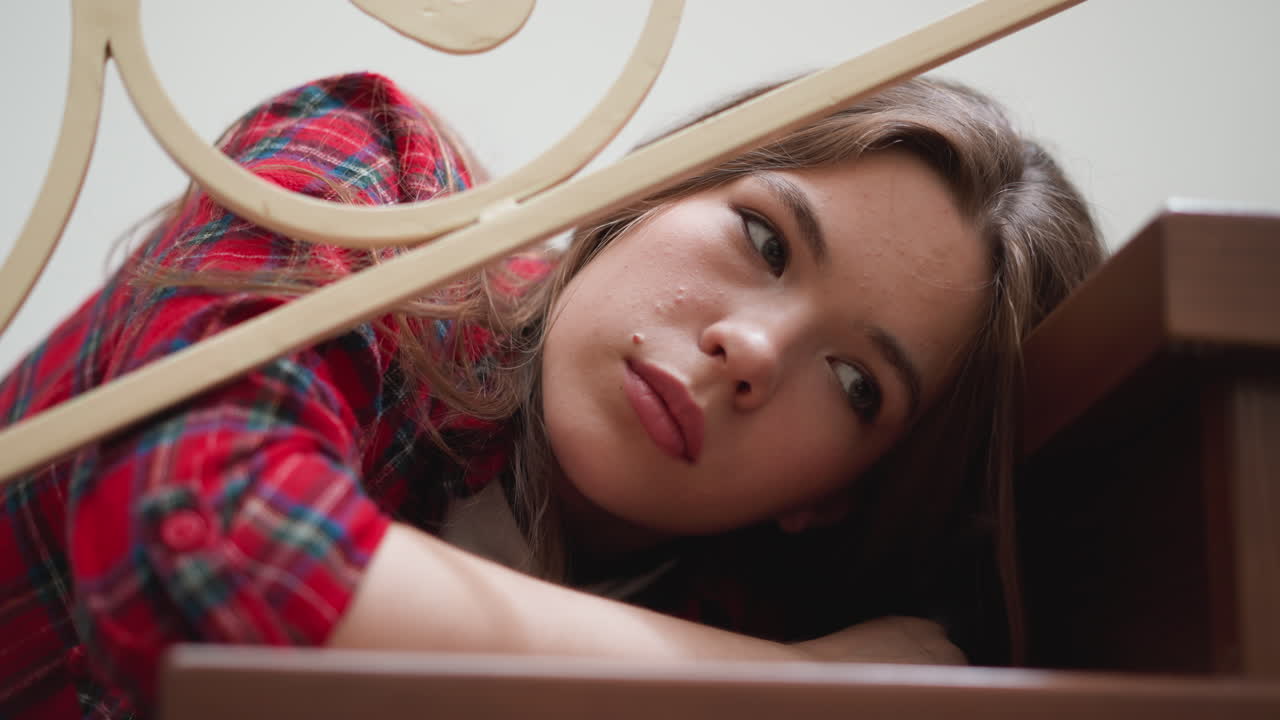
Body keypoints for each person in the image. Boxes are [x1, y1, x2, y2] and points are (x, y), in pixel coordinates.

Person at [0, 71, 1103, 718]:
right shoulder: (371, 197)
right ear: (647, 199)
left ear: (841, 496)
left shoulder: (723, 607)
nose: (749, 348)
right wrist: (787, 686)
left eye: (857, 383)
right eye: (762, 238)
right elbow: (203, 552)